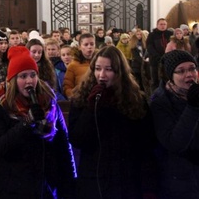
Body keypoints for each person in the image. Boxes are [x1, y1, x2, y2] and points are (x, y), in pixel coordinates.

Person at [0, 46, 76, 198]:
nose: (29, 81)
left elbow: (64, 145)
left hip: (47, 185)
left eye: (33, 75)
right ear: (13, 79)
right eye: (23, 76)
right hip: (14, 187)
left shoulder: (49, 103)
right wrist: (27, 123)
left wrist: (70, 182)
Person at [68, 46, 157, 199]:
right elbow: (77, 139)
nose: (101, 75)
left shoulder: (135, 99)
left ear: (119, 71)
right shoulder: (81, 98)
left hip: (126, 179)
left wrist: (148, 187)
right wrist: (92, 107)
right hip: (94, 178)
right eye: (97, 69)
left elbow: (146, 144)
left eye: (108, 69)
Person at [150, 50, 199, 198]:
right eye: (181, 71)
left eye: (192, 68)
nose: (189, 74)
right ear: (170, 76)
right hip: (179, 180)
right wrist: (192, 107)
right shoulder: (160, 101)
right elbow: (174, 143)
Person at [63, 33, 96, 98]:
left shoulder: (100, 62)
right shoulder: (73, 65)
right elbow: (67, 86)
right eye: (86, 45)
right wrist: (74, 95)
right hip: (81, 100)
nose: (89, 47)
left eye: (92, 44)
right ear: (80, 47)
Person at [147, 18, 173, 91]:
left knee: (168, 80)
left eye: (164, 24)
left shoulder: (170, 34)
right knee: (155, 81)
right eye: (161, 24)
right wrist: (159, 57)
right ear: (157, 25)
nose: (163, 26)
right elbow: (150, 47)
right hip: (155, 61)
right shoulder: (152, 35)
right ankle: (155, 99)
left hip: (168, 61)